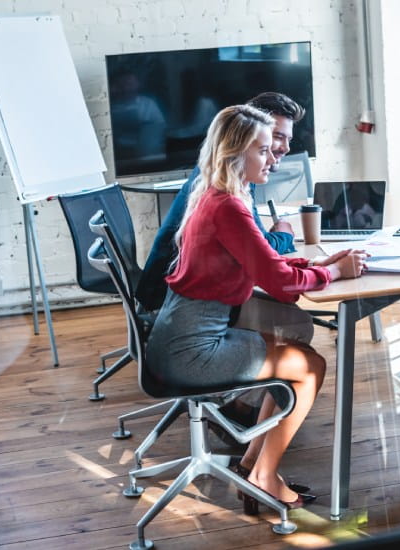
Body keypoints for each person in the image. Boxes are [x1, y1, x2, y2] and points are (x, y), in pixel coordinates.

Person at [144, 104, 367, 509]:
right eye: (263, 150)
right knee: (310, 368)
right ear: (235, 153)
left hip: (182, 335)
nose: (274, 158)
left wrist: (316, 265)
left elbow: (265, 260)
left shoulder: (216, 194)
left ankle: (253, 464)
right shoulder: (228, 205)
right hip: (194, 349)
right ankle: (264, 476)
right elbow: (282, 287)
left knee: (300, 357)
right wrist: (335, 275)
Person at [136, 92, 305, 313]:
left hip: (179, 298)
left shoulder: (225, 173)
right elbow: (263, 252)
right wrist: (285, 235)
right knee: (290, 319)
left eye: (288, 139)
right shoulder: (225, 188)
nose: (285, 148)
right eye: (277, 136)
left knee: (289, 316)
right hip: (173, 302)